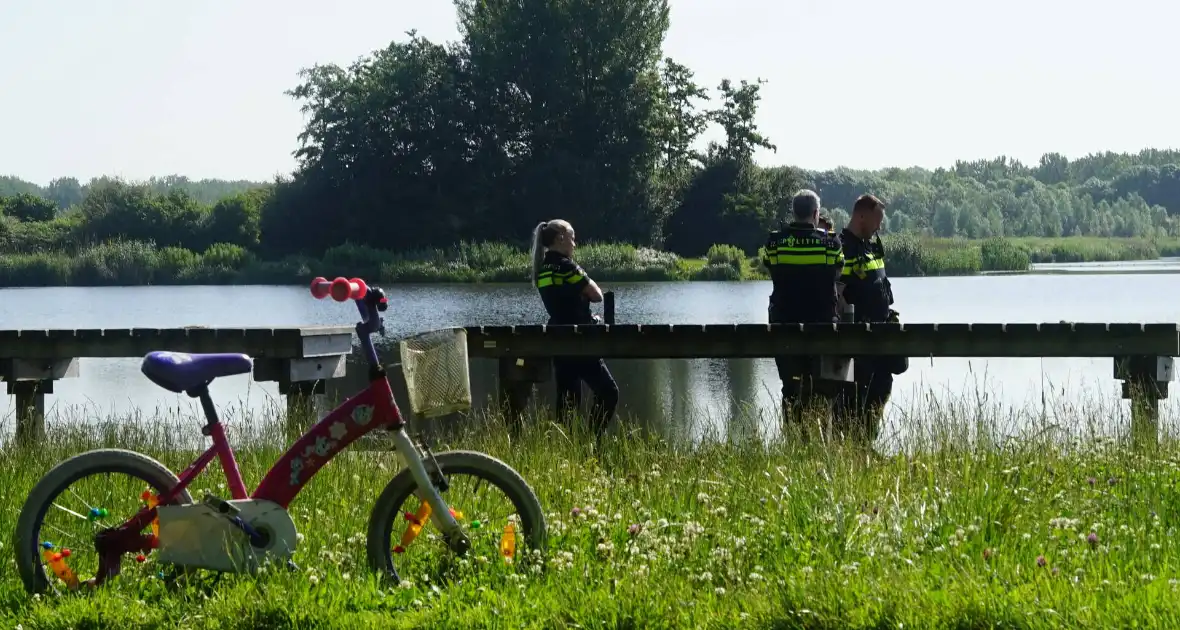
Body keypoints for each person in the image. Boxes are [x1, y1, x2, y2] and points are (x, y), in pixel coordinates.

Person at [763, 190, 845, 431]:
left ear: (793, 212)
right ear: (816, 213)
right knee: (822, 388)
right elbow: (838, 272)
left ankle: (793, 440)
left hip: (784, 325)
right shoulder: (830, 243)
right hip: (822, 326)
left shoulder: (775, 242)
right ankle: (820, 439)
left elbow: (771, 267)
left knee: (791, 386)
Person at [530, 219, 620, 434]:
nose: (574, 244)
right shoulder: (567, 267)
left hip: (558, 339)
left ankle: (566, 452)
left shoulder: (542, 271)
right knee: (608, 392)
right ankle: (592, 441)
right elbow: (597, 295)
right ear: (560, 238)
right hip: (580, 339)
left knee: (567, 402)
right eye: (572, 238)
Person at [836, 194, 908, 442]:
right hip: (858, 343)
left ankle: (866, 445)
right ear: (861, 215)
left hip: (881, 339)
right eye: (877, 220)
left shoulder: (871, 246)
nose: (880, 226)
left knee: (880, 392)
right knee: (852, 402)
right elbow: (836, 294)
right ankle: (850, 450)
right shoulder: (842, 247)